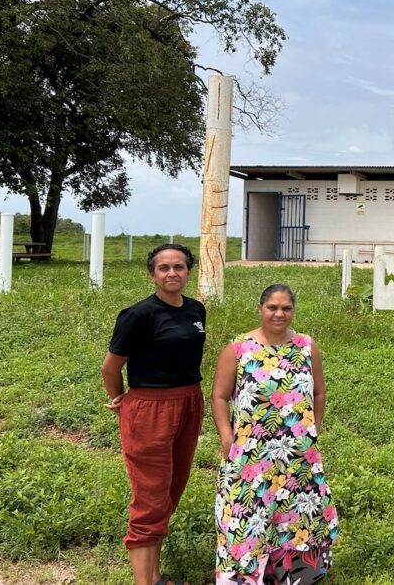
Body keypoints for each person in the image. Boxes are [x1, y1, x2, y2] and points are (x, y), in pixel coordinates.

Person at [211, 284, 338, 584]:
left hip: (297, 454)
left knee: (296, 515)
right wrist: (227, 438)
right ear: (260, 308)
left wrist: (313, 430)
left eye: (286, 308)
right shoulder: (238, 348)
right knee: (245, 515)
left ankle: (293, 577)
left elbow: (319, 393)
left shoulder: (307, 346)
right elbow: (218, 396)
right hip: (250, 456)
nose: (279, 314)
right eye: (273, 307)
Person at [102, 243, 207, 585]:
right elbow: (110, 367)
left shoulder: (195, 310)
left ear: (188, 272)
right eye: (164, 268)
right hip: (150, 409)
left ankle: (155, 576)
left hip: (189, 402)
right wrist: (121, 400)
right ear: (152, 275)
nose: (172, 273)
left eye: (178, 267)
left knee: (170, 492)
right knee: (150, 498)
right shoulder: (139, 315)